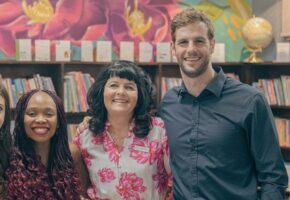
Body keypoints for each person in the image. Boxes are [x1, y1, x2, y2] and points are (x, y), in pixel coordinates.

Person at [158, 7, 288, 200]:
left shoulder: (250, 101)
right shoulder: (169, 103)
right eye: (183, 42)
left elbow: (273, 178)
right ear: (173, 48)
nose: (191, 48)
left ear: (211, 45)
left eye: (199, 41)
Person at [71, 60, 172, 200]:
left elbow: (176, 181)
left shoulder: (158, 130)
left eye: (129, 87)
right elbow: (77, 187)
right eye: (113, 85)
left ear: (139, 95)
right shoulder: (85, 135)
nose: (121, 92)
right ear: (102, 91)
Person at [5, 89, 81, 199]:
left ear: (58, 122)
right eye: (32, 114)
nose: (40, 120)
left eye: (49, 114)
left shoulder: (72, 154)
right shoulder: (8, 158)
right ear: (22, 121)